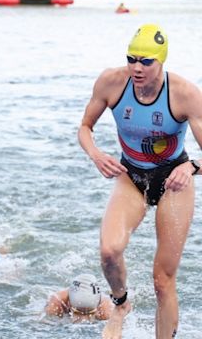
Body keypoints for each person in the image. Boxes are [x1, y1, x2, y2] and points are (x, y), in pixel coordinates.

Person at [78, 23, 202, 338]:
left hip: (174, 179)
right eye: (132, 58)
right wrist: (96, 155)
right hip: (131, 175)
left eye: (146, 61)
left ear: (162, 62)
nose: (137, 67)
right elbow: (85, 128)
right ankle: (121, 303)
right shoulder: (112, 82)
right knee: (109, 250)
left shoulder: (185, 94)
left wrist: (192, 168)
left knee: (162, 280)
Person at [44, 274, 113, 323]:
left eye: (90, 313)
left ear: (98, 307)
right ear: (69, 303)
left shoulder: (107, 310)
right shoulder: (56, 304)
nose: (84, 320)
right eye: (77, 312)